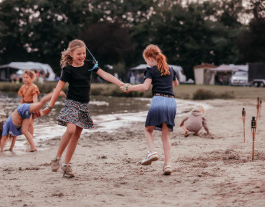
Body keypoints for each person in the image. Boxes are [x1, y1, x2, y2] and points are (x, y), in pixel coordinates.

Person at [42, 39, 124, 178]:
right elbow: (58, 89)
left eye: (84, 53)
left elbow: (105, 74)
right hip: (71, 103)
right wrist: (50, 105)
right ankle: (57, 158)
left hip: (83, 105)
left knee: (77, 134)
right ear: (72, 54)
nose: (82, 56)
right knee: (71, 130)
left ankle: (66, 166)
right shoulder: (67, 69)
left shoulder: (89, 64)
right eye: (79, 54)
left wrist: (121, 83)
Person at [121, 44, 179, 175]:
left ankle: (152, 152)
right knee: (165, 135)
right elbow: (175, 84)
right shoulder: (171, 69)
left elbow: (145, 87)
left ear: (149, 58)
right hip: (171, 101)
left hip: (158, 100)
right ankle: (167, 164)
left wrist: (129, 87)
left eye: (146, 60)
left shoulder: (151, 70)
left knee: (148, 129)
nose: (146, 63)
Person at [18, 70, 40, 145]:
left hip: (31, 106)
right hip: (24, 106)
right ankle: (28, 138)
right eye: (24, 77)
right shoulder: (22, 87)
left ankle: (30, 139)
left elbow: (35, 98)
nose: (25, 79)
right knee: (25, 124)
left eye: (27, 77)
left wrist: (36, 107)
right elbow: (22, 98)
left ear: (32, 78)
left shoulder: (34, 87)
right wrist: (20, 107)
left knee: (30, 123)